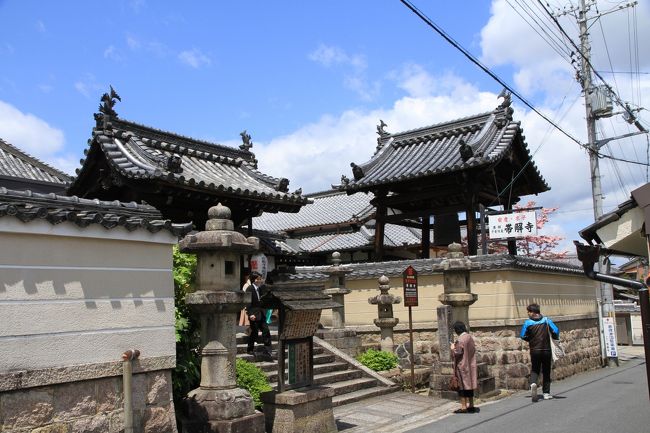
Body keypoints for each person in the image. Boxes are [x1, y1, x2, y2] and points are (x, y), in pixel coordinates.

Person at [520, 303, 560, 402]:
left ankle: (533, 383)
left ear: (533, 312)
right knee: (546, 371)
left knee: (535, 369)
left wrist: (531, 340)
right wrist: (554, 338)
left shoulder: (527, 323)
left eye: (529, 312)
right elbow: (556, 330)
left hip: (535, 350)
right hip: (546, 350)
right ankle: (546, 393)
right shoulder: (546, 320)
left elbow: (522, 335)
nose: (528, 314)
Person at [450, 321, 479, 413]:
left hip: (462, 365)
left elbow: (457, 352)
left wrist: (452, 348)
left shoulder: (461, 339)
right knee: (469, 385)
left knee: (462, 386)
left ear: (457, 330)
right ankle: (471, 405)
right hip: (470, 364)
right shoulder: (469, 337)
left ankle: (463, 407)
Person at [245, 272, 272, 355]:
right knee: (254, 332)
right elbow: (248, 302)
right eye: (258, 279)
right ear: (254, 280)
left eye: (260, 279)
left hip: (261, 313)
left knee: (266, 330)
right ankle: (250, 349)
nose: (260, 280)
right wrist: (250, 314)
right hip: (253, 314)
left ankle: (268, 349)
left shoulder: (260, 289)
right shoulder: (250, 288)